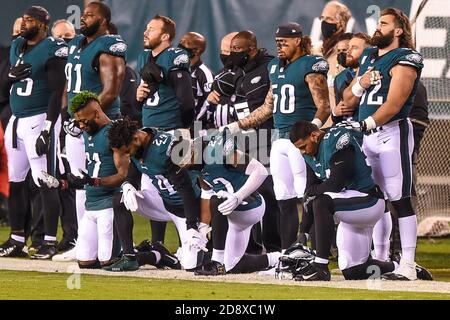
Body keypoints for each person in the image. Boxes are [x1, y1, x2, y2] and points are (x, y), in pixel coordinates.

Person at [223, 23, 330, 252]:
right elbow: (267, 107)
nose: (279, 47)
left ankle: (314, 251)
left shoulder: (311, 64)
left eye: (284, 42)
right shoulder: (275, 67)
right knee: (283, 198)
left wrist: (312, 132)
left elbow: (324, 106)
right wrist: (236, 126)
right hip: (279, 139)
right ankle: (286, 252)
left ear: (298, 41)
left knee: (307, 196)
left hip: (300, 141)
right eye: (277, 42)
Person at [339, 8, 424, 280]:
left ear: (398, 30)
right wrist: (360, 85)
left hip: (391, 133)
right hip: (368, 136)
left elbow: (395, 103)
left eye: (384, 23)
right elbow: (347, 100)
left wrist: (366, 124)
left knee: (400, 199)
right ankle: (382, 258)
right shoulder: (368, 56)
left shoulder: (406, 57)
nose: (378, 27)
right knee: (376, 199)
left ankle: (408, 264)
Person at [289, 121, 403, 281]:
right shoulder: (309, 156)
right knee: (353, 271)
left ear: (314, 136)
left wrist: (313, 191)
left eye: (303, 146)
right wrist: (304, 232)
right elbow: (309, 194)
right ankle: (397, 266)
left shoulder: (336, 138)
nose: (303, 152)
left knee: (322, 201)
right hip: (349, 210)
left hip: (369, 201)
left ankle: (321, 267)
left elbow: (336, 184)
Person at [0, 6, 66, 259]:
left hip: (40, 119)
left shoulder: (53, 48)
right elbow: (6, 84)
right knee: (16, 182)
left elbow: (56, 91)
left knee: (45, 181)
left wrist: (48, 128)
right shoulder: (18, 46)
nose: (24, 23)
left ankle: (49, 240)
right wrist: (9, 76)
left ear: (42, 24)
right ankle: (17, 238)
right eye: (23, 19)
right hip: (16, 120)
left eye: (29, 20)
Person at [64, 1, 127, 257]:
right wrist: (68, 117)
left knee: (104, 184)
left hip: (102, 126)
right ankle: (84, 242)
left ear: (102, 20)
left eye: (90, 15)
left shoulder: (109, 45)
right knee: (80, 183)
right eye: (83, 13)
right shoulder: (77, 44)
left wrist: (83, 117)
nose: (83, 18)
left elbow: (111, 91)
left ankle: (116, 248)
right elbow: (71, 87)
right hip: (78, 124)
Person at [105, 117, 206, 271]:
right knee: (120, 199)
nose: (127, 155)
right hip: (163, 201)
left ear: (136, 139)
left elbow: (186, 190)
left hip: (185, 209)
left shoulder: (168, 150)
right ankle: (129, 257)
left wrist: (192, 225)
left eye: (127, 151)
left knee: (192, 265)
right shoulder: (138, 139)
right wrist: (128, 184)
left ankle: (158, 256)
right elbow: (134, 170)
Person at [135, 15, 196, 245]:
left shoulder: (176, 55)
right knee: (153, 188)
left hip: (172, 131)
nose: (145, 32)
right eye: (146, 27)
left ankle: (190, 240)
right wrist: (138, 96)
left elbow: (187, 101)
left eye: (151, 29)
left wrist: (184, 131)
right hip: (149, 131)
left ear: (165, 36)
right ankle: (158, 245)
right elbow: (145, 97)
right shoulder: (143, 57)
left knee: (181, 189)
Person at [188, 132, 281, 275]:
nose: (185, 164)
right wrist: (203, 226)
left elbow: (260, 170)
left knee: (218, 199)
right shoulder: (196, 167)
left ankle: (217, 261)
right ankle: (278, 258)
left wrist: (238, 196)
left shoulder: (218, 151)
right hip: (231, 214)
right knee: (232, 266)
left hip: (249, 204)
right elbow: (206, 193)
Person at [226, 31, 281, 253]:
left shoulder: (269, 67)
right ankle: (253, 247)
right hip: (246, 140)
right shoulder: (240, 73)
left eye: (237, 49)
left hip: (267, 138)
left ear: (252, 48)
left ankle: (275, 247)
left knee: (268, 193)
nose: (232, 54)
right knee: (249, 192)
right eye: (231, 50)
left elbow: (269, 107)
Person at [178, 32, 214, 131]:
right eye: (181, 41)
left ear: (196, 50)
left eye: (186, 43)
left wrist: (196, 126)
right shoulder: (177, 69)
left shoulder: (204, 73)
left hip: (197, 128)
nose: (180, 45)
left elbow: (210, 102)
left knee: (191, 147)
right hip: (177, 125)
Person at [332, 32, 371, 123]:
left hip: (371, 128)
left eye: (354, 48)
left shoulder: (377, 70)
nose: (348, 52)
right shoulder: (340, 78)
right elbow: (338, 113)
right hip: (348, 129)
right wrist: (334, 113)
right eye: (348, 47)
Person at [208, 32, 238, 128]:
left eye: (228, 51)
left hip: (244, 132)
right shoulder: (220, 75)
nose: (225, 55)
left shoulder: (251, 74)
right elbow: (210, 104)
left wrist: (227, 100)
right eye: (222, 51)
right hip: (219, 133)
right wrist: (209, 99)